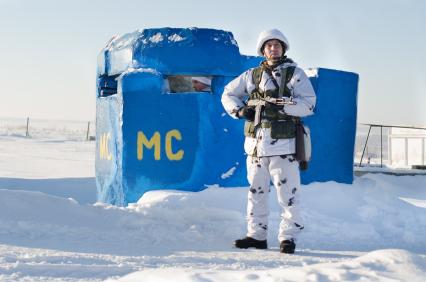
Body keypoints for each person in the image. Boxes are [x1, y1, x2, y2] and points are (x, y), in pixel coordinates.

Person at [221, 29, 316, 254]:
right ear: (263, 50)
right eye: (269, 45)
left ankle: (288, 238)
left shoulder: (295, 74)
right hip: (255, 147)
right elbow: (227, 94)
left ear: (283, 48)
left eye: (277, 45)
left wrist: (282, 106)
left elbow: (309, 104)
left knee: (288, 196)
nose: (273, 48)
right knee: (256, 193)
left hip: (284, 147)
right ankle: (256, 235)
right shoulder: (252, 75)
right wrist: (240, 110)